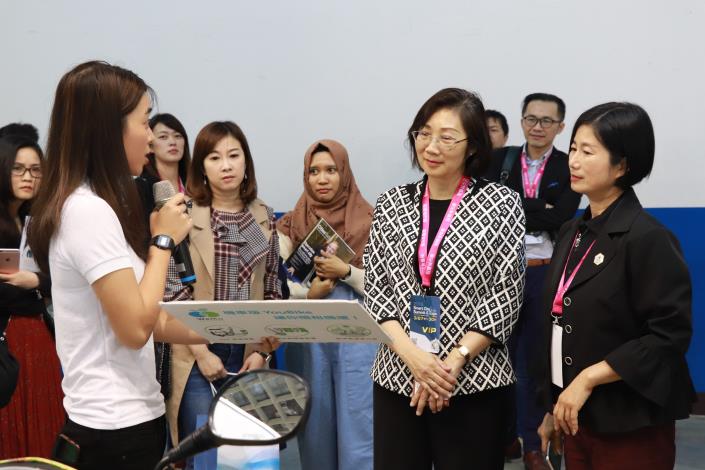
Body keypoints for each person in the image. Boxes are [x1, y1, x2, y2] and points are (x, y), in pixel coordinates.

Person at [26, 61, 206, 470]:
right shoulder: (86, 212)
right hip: (114, 429)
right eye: (144, 123)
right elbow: (134, 329)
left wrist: (238, 325)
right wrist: (163, 241)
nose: (151, 138)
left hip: (126, 421)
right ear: (110, 129)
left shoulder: (93, 205)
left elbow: (149, 317)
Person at [365, 88, 526, 470]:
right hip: (398, 375)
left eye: (447, 136)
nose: (431, 146)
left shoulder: (501, 203)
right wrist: (415, 359)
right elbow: (377, 289)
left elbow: (506, 293)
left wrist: (451, 363)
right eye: (424, 133)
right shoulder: (391, 203)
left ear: (472, 146)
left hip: (473, 380)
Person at [534, 102, 695, 470]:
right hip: (574, 417)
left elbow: (668, 335)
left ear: (622, 165)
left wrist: (589, 378)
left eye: (587, 151)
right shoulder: (570, 232)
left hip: (629, 419)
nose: (573, 160)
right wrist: (553, 405)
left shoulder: (648, 238)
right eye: (573, 148)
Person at [163, 121, 281, 470]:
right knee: (207, 457)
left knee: (249, 457)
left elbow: (274, 287)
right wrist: (202, 354)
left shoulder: (263, 215)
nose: (226, 165)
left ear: (246, 162)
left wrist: (262, 351)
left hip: (249, 353)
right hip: (198, 351)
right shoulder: (182, 215)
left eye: (234, 155)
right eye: (215, 157)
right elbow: (173, 292)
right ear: (201, 165)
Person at [485, 92, 581, 469]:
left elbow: (562, 219)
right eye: (530, 119)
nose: (537, 127)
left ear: (560, 127)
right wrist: (540, 208)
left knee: (531, 363)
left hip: (543, 273)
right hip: (497, 273)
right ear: (521, 121)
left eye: (546, 121)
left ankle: (531, 443)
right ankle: (502, 438)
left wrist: (517, 206)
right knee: (493, 357)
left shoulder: (567, 164)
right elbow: (488, 210)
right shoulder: (499, 160)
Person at [277, 139, 376, 470]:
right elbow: (277, 285)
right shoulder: (291, 223)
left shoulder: (371, 220)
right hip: (308, 330)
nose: (322, 179)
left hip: (358, 330)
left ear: (344, 173)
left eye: (331, 170)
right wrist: (308, 294)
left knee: (358, 415)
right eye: (314, 171)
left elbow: (384, 286)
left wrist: (345, 272)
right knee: (315, 416)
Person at [0, 133, 64, 458]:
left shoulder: (37, 222)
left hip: (38, 333)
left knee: (44, 428)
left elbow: (62, 280)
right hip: (6, 339)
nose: (28, 177)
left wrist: (35, 280)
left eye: (36, 170)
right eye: (18, 169)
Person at [137, 113, 191, 403]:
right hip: (162, 308)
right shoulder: (144, 192)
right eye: (163, 136)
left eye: (178, 135)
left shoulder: (198, 191)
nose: (172, 142)